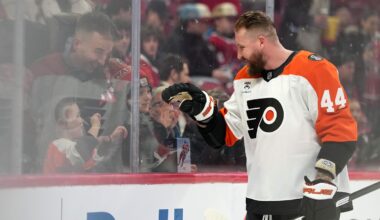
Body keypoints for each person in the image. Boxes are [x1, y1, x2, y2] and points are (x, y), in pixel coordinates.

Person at [162, 11, 357, 219]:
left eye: (242, 47)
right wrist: (204, 113)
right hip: (262, 202)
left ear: (261, 42)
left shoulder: (314, 69)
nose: (238, 55)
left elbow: (340, 131)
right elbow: (224, 135)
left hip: (309, 203)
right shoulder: (244, 78)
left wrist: (324, 178)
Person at [43, 97, 127, 173]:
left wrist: (111, 139)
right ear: (62, 124)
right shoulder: (58, 146)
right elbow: (83, 149)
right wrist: (95, 127)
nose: (82, 120)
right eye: (78, 116)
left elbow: (93, 159)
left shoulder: (74, 148)